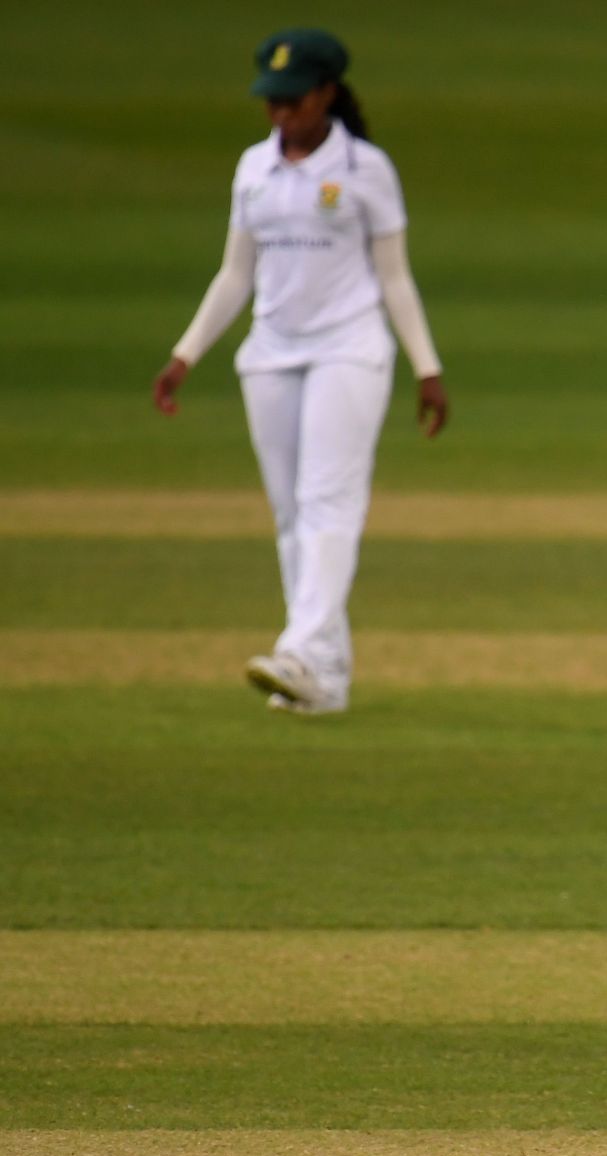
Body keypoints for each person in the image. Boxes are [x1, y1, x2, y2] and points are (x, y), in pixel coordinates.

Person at [153, 28, 447, 715]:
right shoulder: (254, 167)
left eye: (292, 100)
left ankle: (302, 652)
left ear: (326, 94)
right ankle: (325, 679)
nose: (280, 113)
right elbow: (236, 273)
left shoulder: (366, 169)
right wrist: (185, 353)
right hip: (270, 353)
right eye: (271, 101)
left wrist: (427, 367)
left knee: (329, 503)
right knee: (291, 515)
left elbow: (395, 279)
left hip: (349, 349)